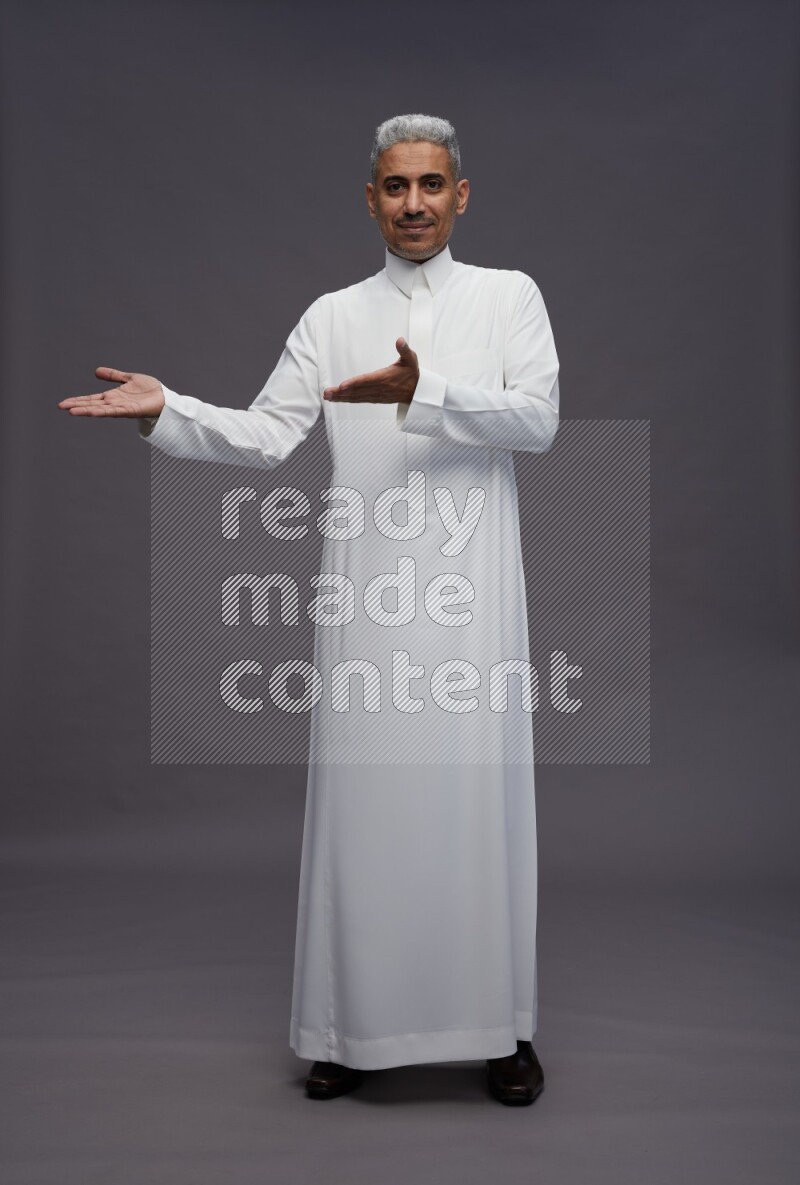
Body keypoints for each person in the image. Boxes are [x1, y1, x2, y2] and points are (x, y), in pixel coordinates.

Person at [58, 113, 560, 1106]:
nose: (411, 203)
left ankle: (500, 1031)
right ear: (368, 198)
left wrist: (430, 392)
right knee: (364, 812)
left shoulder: (509, 299)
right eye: (392, 187)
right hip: (368, 600)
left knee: (476, 809)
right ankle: (347, 1030)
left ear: (460, 196)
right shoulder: (332, 314)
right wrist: (167, 410)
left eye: (429, 185)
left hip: (472, 610)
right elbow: (262, 438)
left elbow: (537, 418)